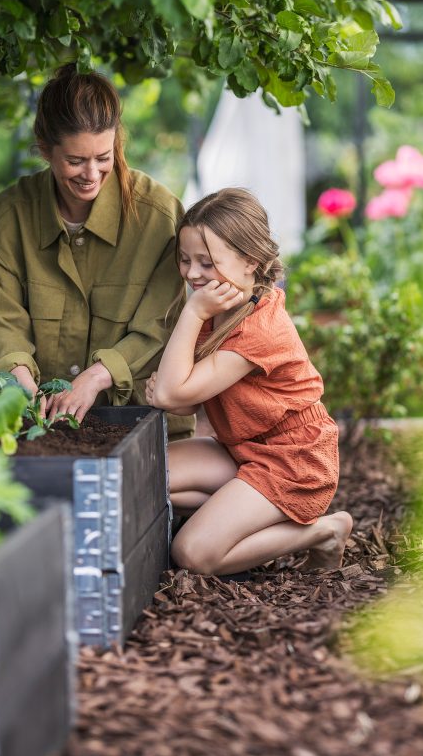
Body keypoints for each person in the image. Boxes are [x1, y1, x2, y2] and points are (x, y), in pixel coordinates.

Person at [0, 65, 193, 437]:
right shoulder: (4, 222)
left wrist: (97, 377)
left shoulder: (160, 217)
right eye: (75, 161)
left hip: (142, 423)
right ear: (44, 150)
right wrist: (19, 378)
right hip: (43, 428)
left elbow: (162, 323)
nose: (91, 173)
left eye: (103, 157)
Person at [145, 188, 352, 575]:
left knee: (193, 553)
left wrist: (191, 313)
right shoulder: (221, 307)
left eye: (207, 263)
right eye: (186, 260)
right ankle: (242, 514)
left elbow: (172, 392)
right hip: (244, 449)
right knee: (145, 476)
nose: (192, 274)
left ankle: (324, 532)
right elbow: (184, 401)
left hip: (294, 461)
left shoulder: (256, 327)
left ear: (249, 262)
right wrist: (172, 389)